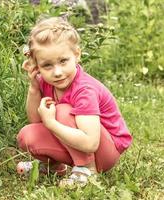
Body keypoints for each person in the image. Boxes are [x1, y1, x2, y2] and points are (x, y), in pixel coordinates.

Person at [16, 17, 132, 186]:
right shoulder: (47, 82)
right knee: (27, 135)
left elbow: (91, 143)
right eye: (47, 65)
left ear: (76, 55)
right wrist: (34, 87)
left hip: (106, 150)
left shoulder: (84, 89)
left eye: (63, 61)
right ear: (37, 67)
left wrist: (51, 123)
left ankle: (87, 170)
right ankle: (54, 167)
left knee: (62, 111)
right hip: (83, 143)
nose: (57, 72)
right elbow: (36, 121)